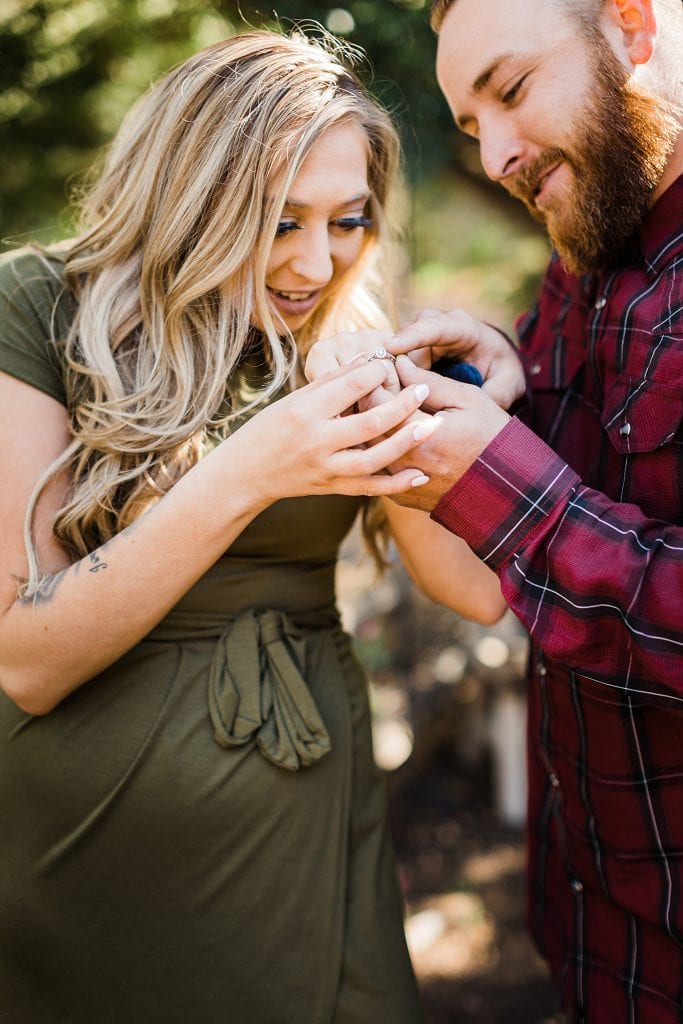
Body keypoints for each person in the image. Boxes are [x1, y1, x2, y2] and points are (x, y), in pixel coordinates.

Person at [0, 29, 506, 1024]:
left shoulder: (344, 350)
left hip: (301, 826)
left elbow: (476, 588)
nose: (316, 263)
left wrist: (468, 418)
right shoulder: (36, 305)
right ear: (189, 196)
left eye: (348, 221)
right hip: (77, 861)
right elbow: (28, 656)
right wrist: (249, 470)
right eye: (278, 222)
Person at [307, 0, 683, 1020]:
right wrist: (485, 389)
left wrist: (510, 483)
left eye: (510, 91)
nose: (499, 154)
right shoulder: (583, 251)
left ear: (630, 26)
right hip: (587, 925)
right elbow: (499, 585)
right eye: (470, 126)